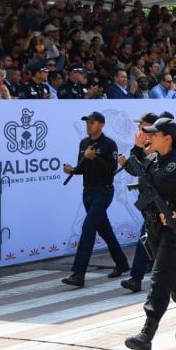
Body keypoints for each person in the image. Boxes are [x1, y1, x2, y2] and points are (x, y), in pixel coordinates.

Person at [123, 118, 176, 350]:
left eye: (154, 134)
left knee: (159, 278)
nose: (149, 136)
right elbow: (132, 167)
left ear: (167, 138)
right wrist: (137, 148)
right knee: (174, 275)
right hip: (154, 228)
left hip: (175, 227)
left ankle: (146, 334)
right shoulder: (150, 159)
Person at [62, 112, 130, 287]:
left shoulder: (109, 144)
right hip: (88, 192)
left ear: (101, 125)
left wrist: (96, 158)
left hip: (103, 191)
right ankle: (122, 263)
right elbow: (82, 168)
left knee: (88, 228)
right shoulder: (84, 143)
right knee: (104, 229)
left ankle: (78, 274)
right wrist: (72, 170)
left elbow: (111, 169)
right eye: (87, 123)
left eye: (92, 123)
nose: (88, 126)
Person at [119, 112, 160, 293]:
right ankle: (136, 278)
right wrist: (130, 158)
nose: (138, 131)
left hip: (161, 202)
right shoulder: (143, 147)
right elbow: (136, 171)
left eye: (142, 127)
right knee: (150, 239)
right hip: (148, 201)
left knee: (148, 239)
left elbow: (142, 169)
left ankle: (136, 278)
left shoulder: (157, 148)